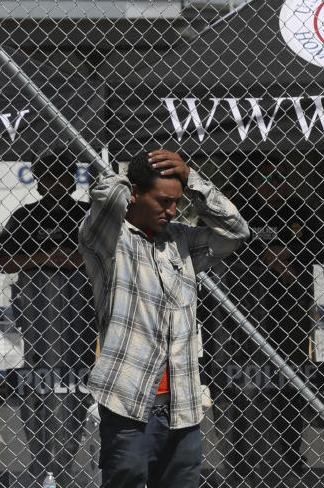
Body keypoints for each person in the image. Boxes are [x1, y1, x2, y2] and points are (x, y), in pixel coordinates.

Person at [79, 150, 248, 488]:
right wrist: (130, 174)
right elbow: (107, 195)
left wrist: (192, 179)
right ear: (136, 193)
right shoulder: (107, 240)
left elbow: (236, 232)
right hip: (128, 403)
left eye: (177, 202)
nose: (171, 210)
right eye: (163, 201)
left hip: (182, 404)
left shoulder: (180, 240)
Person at [204, 157, 324, 485]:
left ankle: (288, 455)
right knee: (241, 386)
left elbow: (319, 247)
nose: (276, 185)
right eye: (268, 179)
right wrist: (262, 255)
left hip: (287, 311)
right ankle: (241, 461)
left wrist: (289, 258)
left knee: (287, 381)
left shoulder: (299, 210)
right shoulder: (237, 208)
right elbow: (217, 245)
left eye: (281, 177)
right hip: (242, 316)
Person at [0, 154, 96, 487]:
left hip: (78, 310)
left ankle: (66, 459)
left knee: (76, 381)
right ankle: (43, 461)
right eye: (48, 178)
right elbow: (6, 261)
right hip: (36, 312)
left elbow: (101, 256)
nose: (54, 184)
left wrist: (51, 259)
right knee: (40, 382)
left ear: (72, 180)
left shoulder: (85, 213)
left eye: (61, 177)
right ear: (38, 181)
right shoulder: (26, 215)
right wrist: (52, 258)